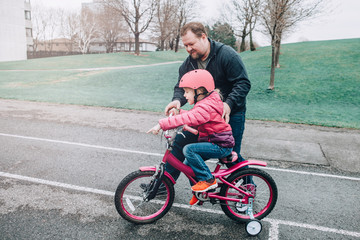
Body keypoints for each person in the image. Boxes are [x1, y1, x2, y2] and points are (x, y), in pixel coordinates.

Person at [164, 22, 251, 182]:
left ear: (203, 37)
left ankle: (247, 190)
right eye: (185, 45)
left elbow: (243, 83)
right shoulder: (189, 63)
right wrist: (177, 101)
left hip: (231, 114)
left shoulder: (227, 55)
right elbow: (181, 87)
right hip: (202, 115)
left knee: (231, 157)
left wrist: (228, 103)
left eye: (191, 44)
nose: (188, 49)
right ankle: (163, 185)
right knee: (179, 144)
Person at [148, 69, 235, 205]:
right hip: (214, 141)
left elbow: (192, 116)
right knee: (189, 164)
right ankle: (200, 193)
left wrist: (161, 124)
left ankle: (208, 181)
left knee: (189, 150)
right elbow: (192, 115)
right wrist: (178, 112)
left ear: (200, 91)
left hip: (220, 145)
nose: (184, 95)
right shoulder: (205, 103)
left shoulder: (206, 106)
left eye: (187, 91)